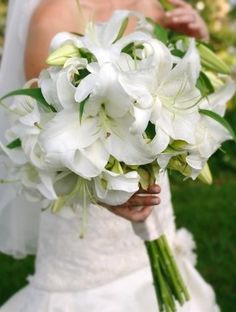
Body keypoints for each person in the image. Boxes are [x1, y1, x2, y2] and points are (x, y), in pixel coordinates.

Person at [0, 0, 219, 311]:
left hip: (153, 202)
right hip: (83, 225)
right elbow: (41, 137)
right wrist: (105, 192)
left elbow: (184, 100)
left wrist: (197, 44)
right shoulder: (51, 19)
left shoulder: (155, 7)